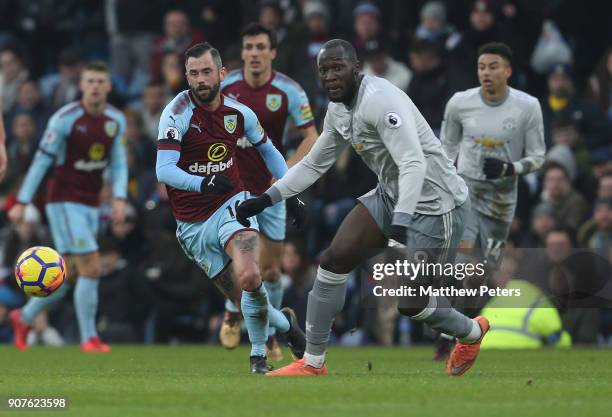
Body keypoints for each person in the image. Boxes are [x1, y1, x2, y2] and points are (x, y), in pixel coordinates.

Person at [236, 39, 489, 377]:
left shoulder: (380, 102)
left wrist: (401, 222)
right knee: (333, 259)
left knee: (411, 304)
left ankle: (472, 333)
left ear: (356, 68)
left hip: (436, 205)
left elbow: (414, 163)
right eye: (324, 71)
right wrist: (268, 198)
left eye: (337, 68)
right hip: (390, 194)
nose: (330, 77)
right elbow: (313, 164)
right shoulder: (339, 109)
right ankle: (313, 362)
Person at [155, 42, 306, 373]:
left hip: (232, 206)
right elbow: (163, 170)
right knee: (245, 299)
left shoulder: (239, 114)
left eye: (207, 72)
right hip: (192, 225)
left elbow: (269, 151)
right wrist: (203, 183)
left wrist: (289, 192)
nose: (200, 80)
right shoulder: (176, 113)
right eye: (193, 74)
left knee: (251, 275)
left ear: (221, 73)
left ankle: (257, 357)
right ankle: (287, 326)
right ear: (186, 76)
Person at [7, 61, 128, 353]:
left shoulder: (115, 120)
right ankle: (89, 338)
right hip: (62, 201)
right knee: (91, 265)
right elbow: (42, 161)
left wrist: (120, 197)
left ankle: (22, 317)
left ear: (109, 86)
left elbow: (119, 161)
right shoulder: (65, 118)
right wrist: (22, 201)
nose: (96, 86)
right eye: (91, 81)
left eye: (101, 81)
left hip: (89, 202)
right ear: (82, 86)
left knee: (67, 276)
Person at [219, 23, 318, 359]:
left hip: (269, 191)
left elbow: (311, 136)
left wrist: (286, 172)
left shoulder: (289, 90)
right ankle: (233, 311)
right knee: (243, 262)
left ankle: (273, 332)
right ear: (243, 52)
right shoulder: (227, 86)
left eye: (261, 47)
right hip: (233, 189)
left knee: (272, 270)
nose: (255, 53)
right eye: (249, 47)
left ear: (272, 52)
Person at [441, 42, 546, 269]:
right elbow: (446, 150)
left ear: (508, 71)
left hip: (502, 195)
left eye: (493, 66)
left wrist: (510, 168)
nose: (486, 72)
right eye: (481, 67)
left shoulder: (528, 106)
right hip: (466, 190)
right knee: (460, 258)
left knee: (493, 265)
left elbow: (538, 157)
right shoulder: (459, 103)